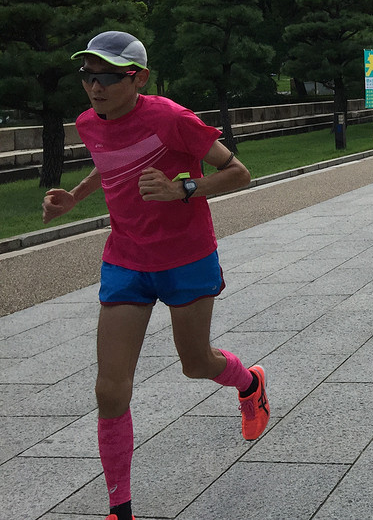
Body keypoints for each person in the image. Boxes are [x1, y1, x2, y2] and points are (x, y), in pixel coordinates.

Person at [41, 31, 268, 520]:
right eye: (87, 75)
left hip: (186, 257)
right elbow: (108, 163)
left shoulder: (170, 117)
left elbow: (239, 173)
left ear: (137, 78)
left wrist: (183, 187)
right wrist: (74, 199)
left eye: (106, 76)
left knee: (196, 363)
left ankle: (248, 383)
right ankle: (119, 509)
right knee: (109, 387)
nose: (94, 87)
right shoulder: (87, 122)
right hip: (125, 260)